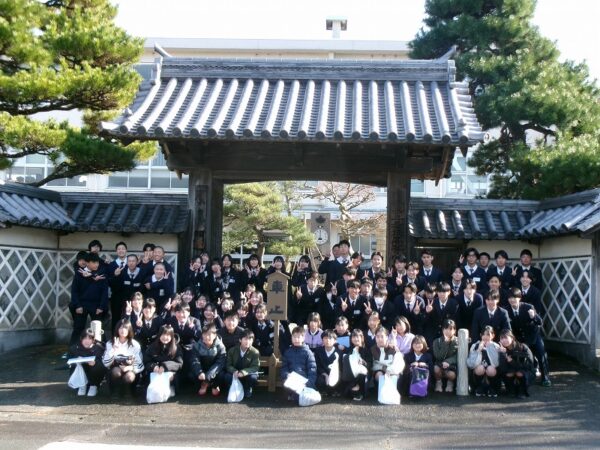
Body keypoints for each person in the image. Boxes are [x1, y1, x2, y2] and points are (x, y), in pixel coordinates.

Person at [506, 288, 551, 386]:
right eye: (510, 298)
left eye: (514, 297)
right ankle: (518, 378)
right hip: (518, 338)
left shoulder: (528, 307)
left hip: (532, 335)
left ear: (519, 298)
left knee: (541, 352)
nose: (512, 300)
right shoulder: (506, 310)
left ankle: (545, 377)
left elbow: (539, 322)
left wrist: (533, 316)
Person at [69, 252, 109, 345]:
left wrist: (101, 306)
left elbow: (104, 292)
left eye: (97, 262)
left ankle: (101, 349)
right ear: (87, 263)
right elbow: (74, 291)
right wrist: (77, 305)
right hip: (82, 304)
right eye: (94, 262)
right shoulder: (79, 273)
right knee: (78, 328)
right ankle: (73, 349)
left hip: (96, 305)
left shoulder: (101, 274)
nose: (96, 264)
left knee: (98, 328)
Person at [102, 319, 144, 395]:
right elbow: (105, 363)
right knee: (116, 372)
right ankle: (115, 391)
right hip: (115, 368)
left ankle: (128, 391)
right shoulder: (110, 343)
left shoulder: (135, 345)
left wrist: (129, 368)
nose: (123, 330)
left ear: (129, 330)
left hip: (130, 369)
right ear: (117, 329)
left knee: (129, 376)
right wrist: (113, 349)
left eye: (125, 328)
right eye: (121, 328)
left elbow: (140, 365)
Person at [143, 324, 183, 399]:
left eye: (168, 335)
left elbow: (179, 363)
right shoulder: (152, 346)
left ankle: (171, 387)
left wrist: (165, 366)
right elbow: (146, 361)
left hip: (171, 373)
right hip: (156, 373)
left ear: (172, 336)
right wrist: (153, 366)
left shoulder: (176, 347)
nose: (165, 337)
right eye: (163, 334)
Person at [281, 326, 317, 402]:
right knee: (285, 383)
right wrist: (287, 375)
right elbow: (284, 368)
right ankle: (295, 396)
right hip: (292, 379)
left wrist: (308, 383)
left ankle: (296, 396)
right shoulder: (288, 352)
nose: (296, 339)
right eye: (294, 337)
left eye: (298, 337)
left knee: (302, 394)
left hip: (304, 380)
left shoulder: (308, 353)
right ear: (291, 338)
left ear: (303, 338)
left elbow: (312, 370)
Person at [189, 324, 227, 397]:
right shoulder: (197, 345)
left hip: (214, 371)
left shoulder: (220, 346)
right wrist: (199, 372)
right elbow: (195, 360)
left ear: (214, 335)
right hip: (202, 369)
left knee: (222, 374)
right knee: (191, 374)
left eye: (209, 335)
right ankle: (203, 384)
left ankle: (214, 385)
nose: (207, 337)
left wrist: (209, 375)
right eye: (205, 334)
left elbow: (220, 363)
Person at [68, 328, 107, 397]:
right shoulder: (75, 348)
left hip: (93, 374)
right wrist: (77, 360)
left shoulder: (99, 348)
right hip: (80, 373)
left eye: (89, 339)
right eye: (85, 338)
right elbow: (69, 361)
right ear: (81, 339)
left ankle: (94, 386)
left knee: (98, 366)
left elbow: (104, 364)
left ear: (93, 340)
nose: (87, 341)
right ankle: (82, 385)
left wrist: (95, 363)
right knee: (75, 365)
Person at [224, 329, 260, 400]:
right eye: (245, 339)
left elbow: (255, 367)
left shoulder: (255, 352)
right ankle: (232, 388)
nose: (248, 341)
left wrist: (243, 372)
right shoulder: (232, 350)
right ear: (240, 340)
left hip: (247, 375)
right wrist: (234, 371)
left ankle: (247, 388)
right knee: (227, 376)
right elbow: (228, 365)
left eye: (250, 339)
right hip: (236, 374)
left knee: (253, 378)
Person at [498, 329, 535, 398]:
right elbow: (502, 368)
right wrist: (502, 354)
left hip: (525, 371)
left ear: (512, 338)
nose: (504, 340)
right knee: (509, 373)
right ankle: (511, 390)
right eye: (501, 338)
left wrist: (512, 362)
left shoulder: (523, 347)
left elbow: (528, 365)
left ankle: (522, 391)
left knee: (519, 373)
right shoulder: (501, 349)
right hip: (510, 371)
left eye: (506, 338)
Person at [467, 326, 501, 397]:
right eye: (483, 334)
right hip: (478, 371)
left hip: (491, 371)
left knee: (491, 369)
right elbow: (471, 364)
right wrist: (479, 350)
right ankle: (479, 387)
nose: (485, 337)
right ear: (480, 335)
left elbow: (496, 363)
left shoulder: (496, 346)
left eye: (488, 334)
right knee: (480, 368)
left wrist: (489, 348)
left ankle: (491, 388)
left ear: (493, 335)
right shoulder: (475, 345)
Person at [423, 282, 459, 346]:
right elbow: (426, 321)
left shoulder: (454, 304)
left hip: (448, 333)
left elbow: (455, 321)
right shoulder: (432, 302)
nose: (442, 294)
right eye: (439, 292)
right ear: (437, 292)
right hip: (433, 334)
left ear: (449, 292)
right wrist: (427, 312)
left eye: (444, 292)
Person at [371, 326, 404, 394]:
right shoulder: (372, 349)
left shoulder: (393, 348)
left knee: (395, 376)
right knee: (379, 375)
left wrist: (390, 370)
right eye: (377, 337)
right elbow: (372, 365)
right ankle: (382, 394)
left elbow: (399, 364)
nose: (380, 339)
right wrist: (384, 368)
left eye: (382, 337)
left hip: (392, 372)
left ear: (387, 337)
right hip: (380, 371)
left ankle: (392, 393)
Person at [342, 329, 372, 401]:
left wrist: (364, 363)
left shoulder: (366, 350)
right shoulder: (349, 349)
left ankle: (355, 390)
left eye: (358, 337)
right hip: (351, 374)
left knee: (361, 375)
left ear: (362, 338)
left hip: (363, 374)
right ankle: (355, 390)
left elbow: (370, 363)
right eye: (353, 337)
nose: (355, 339)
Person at [432, 320, 458, 393]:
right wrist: (445, 343)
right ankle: (438, 382)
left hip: (451, 366)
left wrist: (448, 362)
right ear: (443, 330)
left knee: (452, 374)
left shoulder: (458, 341)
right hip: (440, 364)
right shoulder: (437, 341)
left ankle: (450, 383)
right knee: (435, 369)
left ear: (454, 330)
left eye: (450, 329)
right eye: (445, 328)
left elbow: (457, 356)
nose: (447, 331)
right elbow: (438, 356)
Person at [314, 329, 342, 397]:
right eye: (325, 338)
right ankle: (323, 391)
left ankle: (334, 391)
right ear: (322, 340)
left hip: (335, 374)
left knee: (340, 377)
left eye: (330, 338)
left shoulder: (339, 352)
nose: (327, 340)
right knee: (319, 380)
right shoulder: (318, 351)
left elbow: (341, 367)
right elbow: (318, 365)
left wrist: (332, 375)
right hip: (323, 373)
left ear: (335, 341)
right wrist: (325, 375)